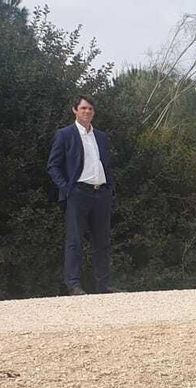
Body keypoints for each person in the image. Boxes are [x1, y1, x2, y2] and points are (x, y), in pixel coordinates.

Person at [46, 95, 121, 295]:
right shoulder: (65, 134)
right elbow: (53, 166)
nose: (87, 112)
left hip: (101, 193)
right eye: (83, 108)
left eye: (90, 109)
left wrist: (109, 187)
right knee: (75, 240)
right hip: (78, 192)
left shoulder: (101, 136)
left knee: (102, 242)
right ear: (75, 110)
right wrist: (67, 189)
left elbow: (105, 164)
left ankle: (103, 285)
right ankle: (73, 285)